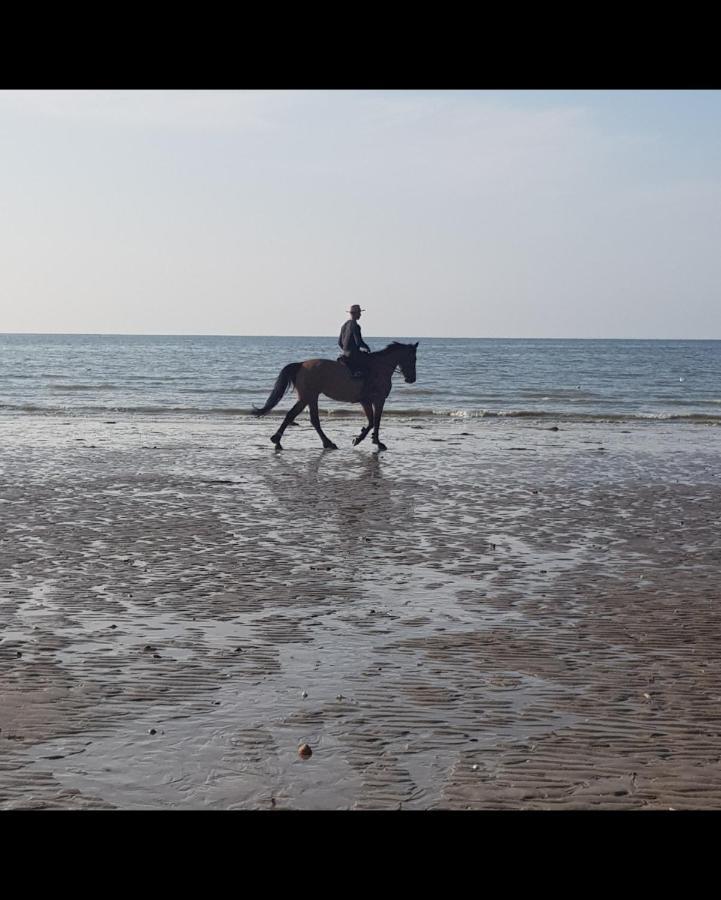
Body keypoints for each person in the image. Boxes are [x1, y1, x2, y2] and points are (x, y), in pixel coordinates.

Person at [338, 304, 371, 379]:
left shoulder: (344, 325)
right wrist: (367, 347)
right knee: (368, 367)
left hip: (345, 354)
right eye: (359, 313)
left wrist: (345, 350)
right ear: (354, 313)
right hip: (353, 355)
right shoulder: (355, 325)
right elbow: (358, 342)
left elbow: (339, 343)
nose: (360, 315)